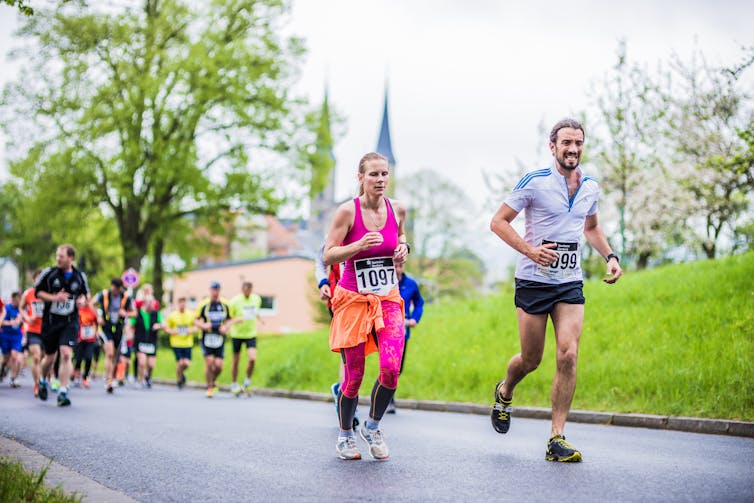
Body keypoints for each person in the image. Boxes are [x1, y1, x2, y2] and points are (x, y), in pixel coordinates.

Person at [489, 118, 623, 462]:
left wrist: (609, 255)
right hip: (533, 281)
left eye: (578, 143)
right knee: (531, 359)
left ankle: (556, 437)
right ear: (553, 147)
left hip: (569, 282)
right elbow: (498, 222)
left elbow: (591, 227)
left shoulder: (590, 187)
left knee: (568, 353)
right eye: (566, 143)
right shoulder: (534, 183)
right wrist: (530, 251)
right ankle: (505, 391)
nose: (573, 149)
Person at [324, 151, 409, 460]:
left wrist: (403, 249)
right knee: (354, 375)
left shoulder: (398, 209)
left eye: (384, 174)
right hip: (352, 300)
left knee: (390, 368)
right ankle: (345, 435)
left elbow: (400, 238)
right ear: (360, 178)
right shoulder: (347, 212)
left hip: (387, 297)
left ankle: (372, 427)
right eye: (374, 174)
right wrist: (357, 246)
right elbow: (328, 254)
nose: (381, 179)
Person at [35, 244, 91, 406]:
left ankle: (63, 391)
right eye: (57, 256)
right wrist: (54, 298)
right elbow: (38, 292)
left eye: (61, 256)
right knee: (50, 357)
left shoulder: (79, 276)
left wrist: (82, 300)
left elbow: (85, 295)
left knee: (66, 354)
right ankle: (42, 380)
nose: (58, 259)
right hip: (51, 321)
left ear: (70, 258)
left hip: (70, 321)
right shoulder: (49, 273)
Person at [315, 241, 360, 429]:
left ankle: (342, 390)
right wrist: (323, 283)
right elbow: (320, 260)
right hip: (339, 301)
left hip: (364, 300)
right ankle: (347, 399)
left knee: (360, 353)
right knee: (348, 352)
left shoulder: (368, 229)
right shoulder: (334, 233)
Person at [386, 261, 424, 414]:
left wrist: (415, 318)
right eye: (394, 265)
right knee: (388, 366)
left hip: (403, 331)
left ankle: (388, 397)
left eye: (400, 266)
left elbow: (419, 303)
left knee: (397, 369)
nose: (397, 269)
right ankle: (388, 400)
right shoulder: (384, 282)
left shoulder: (411, 284)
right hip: (385, 330)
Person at [91, 278, 136, 393]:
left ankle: (112, 376)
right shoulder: (103, 294)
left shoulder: (126, 297)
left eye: (117, 289)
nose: (114, 291)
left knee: (116, 355)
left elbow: (135, 312)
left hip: (119, 328)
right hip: (106, 327)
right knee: (109, 353)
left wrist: (126, 313)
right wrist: (98, 316)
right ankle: (108, 380)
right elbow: (92, 303)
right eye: (113, 288)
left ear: (120, 288)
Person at [195, 281, 233, 398]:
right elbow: (196, 320)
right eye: (213, 289)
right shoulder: (203, 304)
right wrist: (203, 326)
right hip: (207, 337)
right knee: (210, 362)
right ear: (210, 290)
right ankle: (210, 387)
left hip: (219, 337)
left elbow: (230, 319)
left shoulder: (225, 304)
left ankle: (213, 380)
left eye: (217, 289)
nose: (215, 292)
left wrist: (226, 327)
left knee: (219, 365)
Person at [228, 281, 263, 397]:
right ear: (242, 289)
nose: (247, 291)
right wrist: (236, 320)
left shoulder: (256, 299)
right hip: (237, 334)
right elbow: (228, 318)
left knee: (252, 358)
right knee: (236, 360)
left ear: (252, 289)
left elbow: (255, 311)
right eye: (245, 289)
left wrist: (260, 319)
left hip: (250, 333)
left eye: (249, 289)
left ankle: (247, 381)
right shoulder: (234, 301)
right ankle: (234, 383)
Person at [20, 270, 45, 396]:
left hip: (47, 330)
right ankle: (37, 384)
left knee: (45, 358)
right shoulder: (28, 293)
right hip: (33, 330)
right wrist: (27, 317)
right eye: (37, 279)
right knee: (36, 356)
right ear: (34, 280)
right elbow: (21, 307)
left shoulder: (50, 294)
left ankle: (44, 379)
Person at [165, 296, 198, 389]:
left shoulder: (191, 314)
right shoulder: (173, 315)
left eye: (184, 302)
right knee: (180, 363)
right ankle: (179, 379)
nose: (182, 304)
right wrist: (172, 331)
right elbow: (167, 327)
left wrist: (191, 330)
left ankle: (181, 374)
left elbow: (196, 326)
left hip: (187, 343)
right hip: (176, 343)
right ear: (178, 304)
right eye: (180, 302)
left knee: (186, 363)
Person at [132, 297, 163, 388]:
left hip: (151, 342)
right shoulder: (138, 313)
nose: (152, 305)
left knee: (151, 364)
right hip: (140, 341)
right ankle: (142, 380)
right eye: (150, 303)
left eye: (153, 303)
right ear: (145, 303)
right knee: (141, 362)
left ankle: (148, 376)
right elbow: (131, 324)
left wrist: (159, 325)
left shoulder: (156, 314)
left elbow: (164, 324)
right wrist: (129, 333)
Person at [74, 295, 98, 389]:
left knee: (89, 358)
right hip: (80, 338)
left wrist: (96, 332)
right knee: (78, 358)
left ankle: (85, 378)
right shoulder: (79, 310)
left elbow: (97, 321)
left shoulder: (92, 311)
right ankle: (77, 376)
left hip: (90, 339)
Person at [1, 292, 24, 388]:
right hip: (5, 335)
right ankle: (3, 369)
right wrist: (12, 322)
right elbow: (1, 321)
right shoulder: (6, 308)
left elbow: (24, 322)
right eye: (17, 300)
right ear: (13, 299)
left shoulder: (22, 308)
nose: (18, 302)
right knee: (6, 358)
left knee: (15, 356)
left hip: (16, 336)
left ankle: (13, 378)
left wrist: (21, 321)